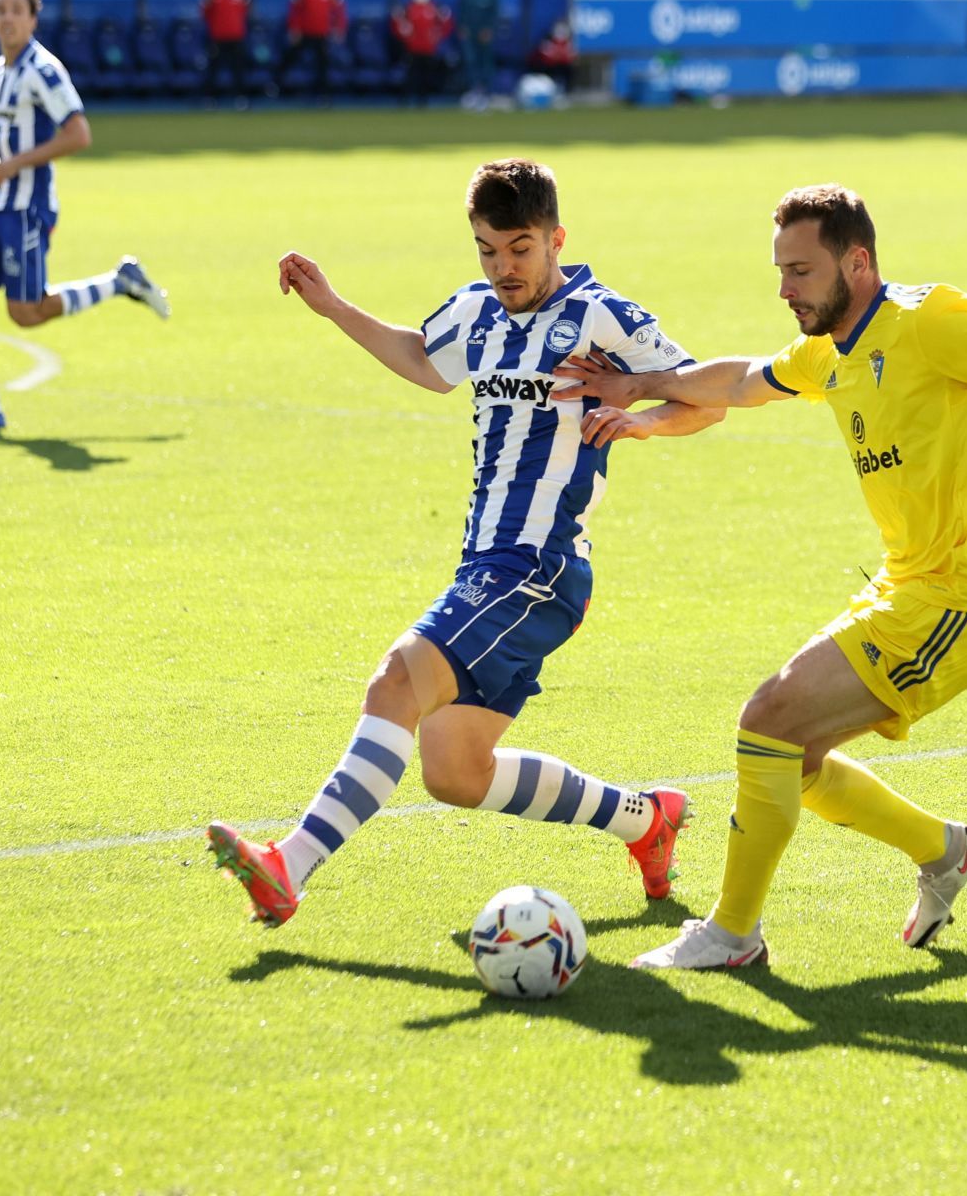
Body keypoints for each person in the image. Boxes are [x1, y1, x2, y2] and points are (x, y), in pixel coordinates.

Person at [552, 184, 967, 969]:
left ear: (858, 262)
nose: (784, 290)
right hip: (906, 588)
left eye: (801, 272)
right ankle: (945, 851)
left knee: (767, 720)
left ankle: (731, 935)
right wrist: (642, 389)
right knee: (794, 758)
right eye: (780, 271)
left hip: (961, 601)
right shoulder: (829, 351)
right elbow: (742, 382)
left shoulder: (932, 321)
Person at [206, 159, 724, 928]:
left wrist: (641, 416)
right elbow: (425, 359)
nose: (503, 267)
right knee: (454, 771)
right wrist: (334, 307)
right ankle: (645, 820)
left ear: (555, 239)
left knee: (395, 683)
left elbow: (702, 397)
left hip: (539, 566)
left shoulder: (602, 316)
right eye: (487, 249)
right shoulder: (475, 311)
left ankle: (288, 867)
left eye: (519, 248)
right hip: (487, 564)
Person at [0, 0, 169, 432]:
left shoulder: (44, 70)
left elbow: (78, 133)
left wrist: (17, 163)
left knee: (26, 312)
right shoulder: (2, 67)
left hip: (29, 209)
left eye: (16, 12)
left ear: (32, 20)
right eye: (0, 10)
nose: (6, 19)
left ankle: (121, 282)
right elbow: (4, 129)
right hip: (0, 202)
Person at [281, 0, 345, 100]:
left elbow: (338, 11)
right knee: (291, 57)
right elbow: (295, 11)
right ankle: (277, 86)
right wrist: (294, 29)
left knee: (323, 64)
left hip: (322, 33)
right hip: (305, 33)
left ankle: (323, 94)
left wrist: (339, 28)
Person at [200, 0, 251, 107]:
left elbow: (244, 11)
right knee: (213, 69)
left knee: (238, 69)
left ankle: (240, 98)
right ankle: (210, 98)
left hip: (236, 37)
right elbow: (205, 13)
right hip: (217, 37)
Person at [392, 0, 452, 107]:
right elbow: (399, 25)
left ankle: (422, 101)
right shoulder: (408, 8)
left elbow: (445, 25)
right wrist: (406, 36)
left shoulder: (434, 9)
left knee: (425, 76)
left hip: (428, 49)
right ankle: (405, 100)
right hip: (412, 48)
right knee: (410, 75)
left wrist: (436, 37)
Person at [457, 0, 499, 107]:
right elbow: (463, 11)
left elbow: (495, 12)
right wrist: (463, 28)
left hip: (485, 34)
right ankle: (474, 92)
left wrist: (489, 29)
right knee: (471, 62)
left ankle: (486, 94)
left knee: (485, 63)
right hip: (470, 33)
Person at [527, 20, 574, 92]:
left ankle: (567, 91)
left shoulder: (567, 42)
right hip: (547, 64)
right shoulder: (548, 39)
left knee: (568, 69)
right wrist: (557, 55)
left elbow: (570, 55)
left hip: (561, 64)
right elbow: (545, 54)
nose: (561, 34)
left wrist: (561, 56)